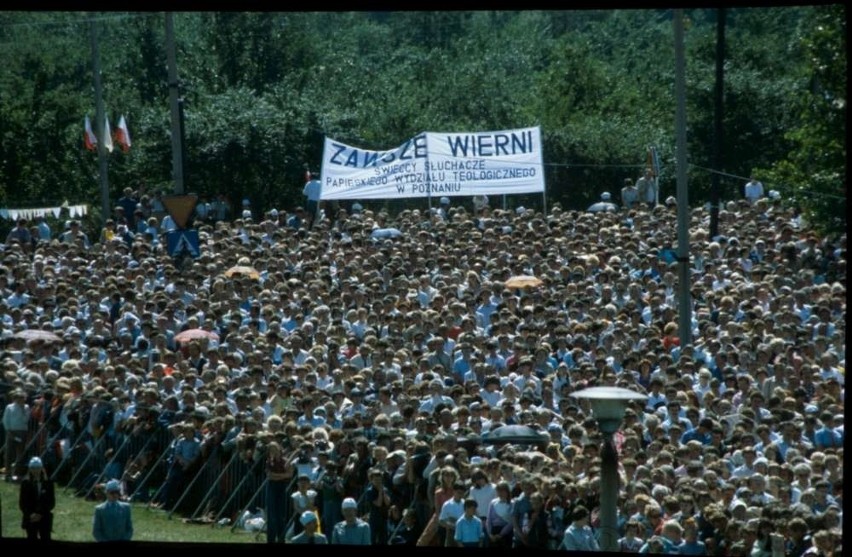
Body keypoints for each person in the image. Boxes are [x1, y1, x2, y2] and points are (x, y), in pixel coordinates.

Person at [19, 456, 55, 541]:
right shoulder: (25, 483)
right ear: (30, 469)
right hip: (30, 519)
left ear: (42, 468)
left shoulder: (48, 483)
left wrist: (40, 514)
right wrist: (31, 514)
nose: (36, 470)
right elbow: (22, 503)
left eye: (38, 468)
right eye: (33, 468)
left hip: (44, 518)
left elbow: (51, 502)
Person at [3, 389, 30, 482]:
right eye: (18, 397)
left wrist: (22, 409)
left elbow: (26, 420)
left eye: (22, 398)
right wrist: (8, 431)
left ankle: (17, 473)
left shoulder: (26, 407)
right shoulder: (9, 407)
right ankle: (8, 473)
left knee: (20, 453)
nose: (20, 399)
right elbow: (5, 420)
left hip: (22, 432)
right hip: (11, 431)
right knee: (9, 453)